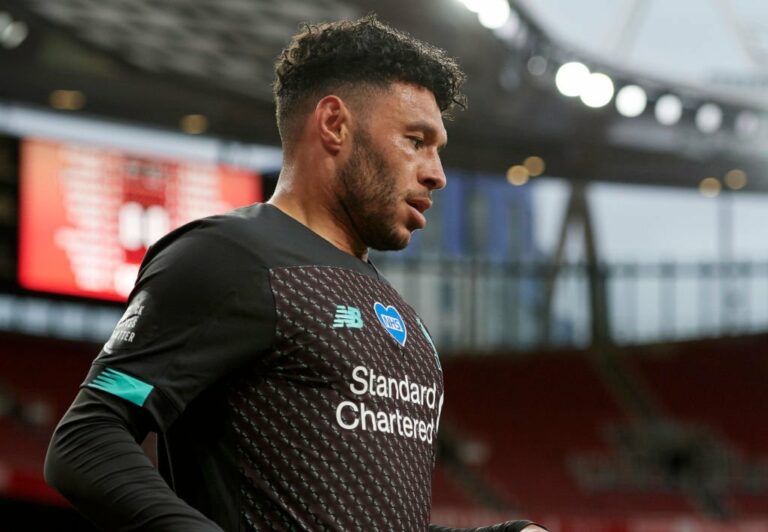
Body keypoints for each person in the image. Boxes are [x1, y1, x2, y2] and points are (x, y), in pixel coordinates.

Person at [45, 15, 547, 532]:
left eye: (438, 149)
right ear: (334, 123)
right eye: (415, 140)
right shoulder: (226, 258)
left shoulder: (402, 318)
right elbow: (87, 439)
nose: (437, 173)